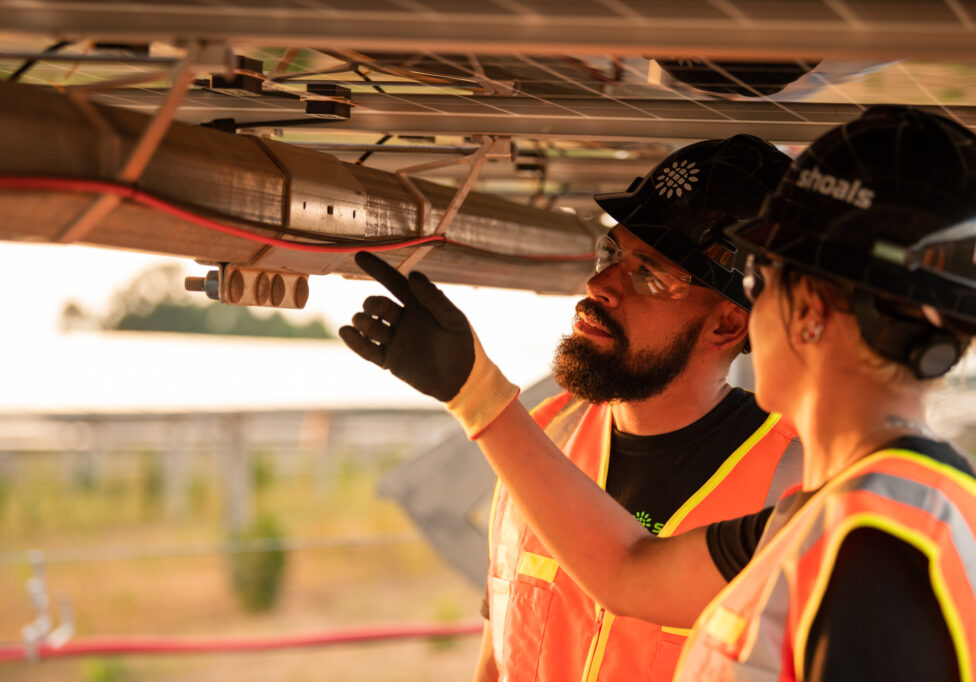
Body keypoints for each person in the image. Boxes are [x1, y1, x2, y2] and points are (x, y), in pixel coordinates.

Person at [341, 105, 976, 680]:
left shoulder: (880, 548)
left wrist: (479, 396)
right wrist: (474, 390)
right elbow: (628, 572)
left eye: (764, 281)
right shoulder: (843, 514)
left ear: (806, 311)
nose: (754, 309)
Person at [341, 135, 803, 682]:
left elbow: (627, 573)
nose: (599, 284)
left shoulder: (790, 487)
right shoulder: (541, 437)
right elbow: (498, 657)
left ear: (726, 325)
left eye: (649, 273)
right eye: (612, 254)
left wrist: (477, 394)